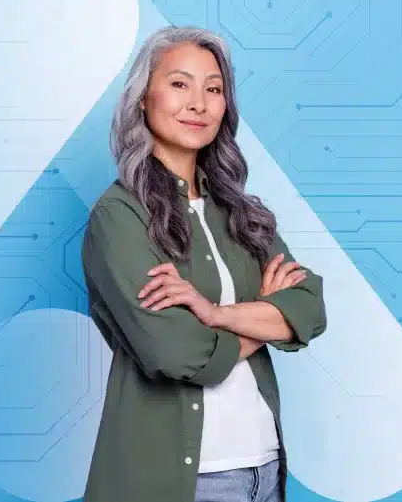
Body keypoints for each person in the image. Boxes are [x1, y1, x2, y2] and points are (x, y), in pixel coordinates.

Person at [80, 25, 327, 502]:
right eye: (179, 84)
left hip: (266, 471)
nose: (198, 103)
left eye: (213, 89)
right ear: (142, 99)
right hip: (187, 483)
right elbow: (175, 353)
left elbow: (310, 308)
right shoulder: (119, 216)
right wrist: (266, 317)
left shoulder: (242, 212)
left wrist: (213, 315)